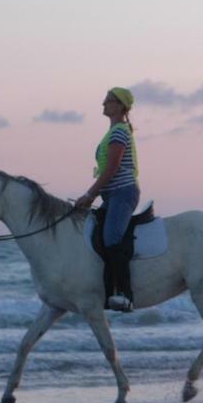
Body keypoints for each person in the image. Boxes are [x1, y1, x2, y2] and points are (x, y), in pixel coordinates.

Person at [75, 87, 140, 311]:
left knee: (112, 238)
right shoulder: (113, 132)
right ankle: (103, 289)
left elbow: (112, 168)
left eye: (109, 100)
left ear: (121, 106)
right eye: (105, 100)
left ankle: (125, 294)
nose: (104, 103)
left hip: (123, 193)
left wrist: (89, 193)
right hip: (111, 195)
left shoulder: (119, 132)